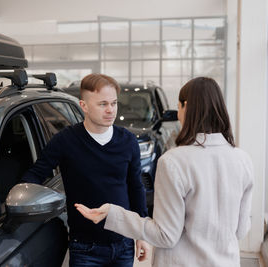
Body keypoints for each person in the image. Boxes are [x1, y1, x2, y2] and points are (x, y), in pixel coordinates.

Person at [75, 76, 254, 267]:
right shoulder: (242, 159)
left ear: (186, 106)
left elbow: (165, 235)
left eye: (178, 107)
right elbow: (241, 230)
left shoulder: (174, 161)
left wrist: (112, 213)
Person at [22, 73, 149, 267]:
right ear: (84, 106)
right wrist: (19, 199)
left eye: (114, 103)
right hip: (85, 248)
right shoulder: (65, 141)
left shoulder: (128, 141)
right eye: (103, 104)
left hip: (123, 243)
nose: (110, 110)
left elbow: (136, 188)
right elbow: (36, 174)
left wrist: (142, 233)